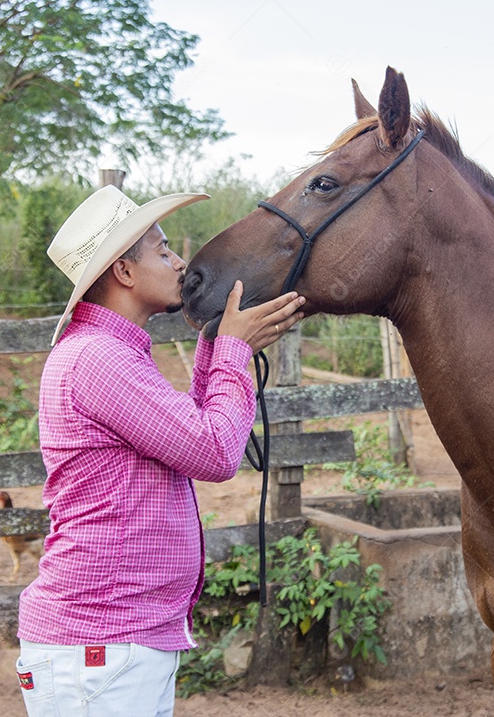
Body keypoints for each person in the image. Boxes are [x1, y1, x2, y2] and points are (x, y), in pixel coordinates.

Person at [16, 184, 305, 717]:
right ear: (123, 273)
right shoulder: (97, 358)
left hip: (114, 645)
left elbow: (190, 433)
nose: (178, 262)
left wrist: (220, 346)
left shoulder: (111, 353)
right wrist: (234, 353)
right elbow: (215, 452)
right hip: (100, 647)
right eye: (162, 249)